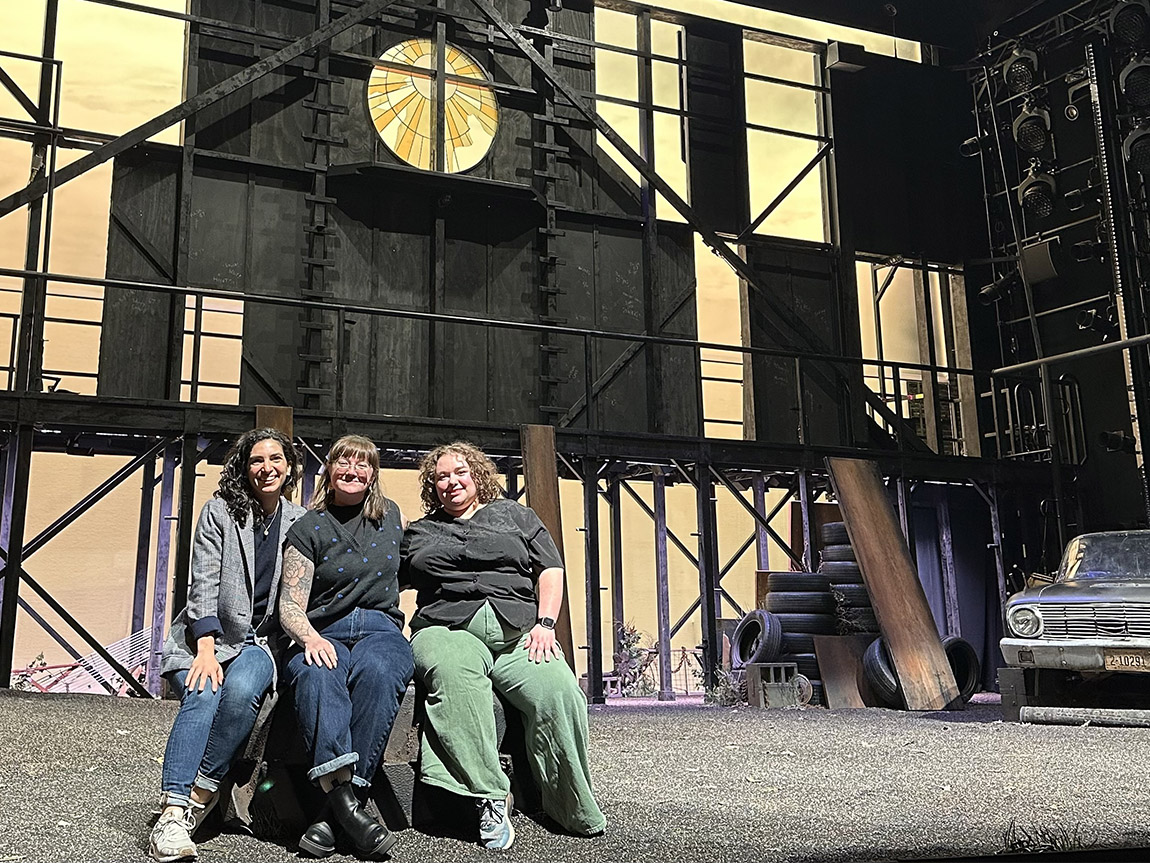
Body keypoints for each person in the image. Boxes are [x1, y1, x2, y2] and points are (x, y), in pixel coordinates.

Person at [400, 441, 607, 851]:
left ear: (477, 474)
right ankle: (489, 797)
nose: (450, 481)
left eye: (459, 471)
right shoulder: (420, 532)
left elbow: (550, 568)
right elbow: (385, 580)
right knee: (455, 673)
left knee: (558, 690)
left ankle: (571, 804)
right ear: (431, 485)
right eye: (441, 476)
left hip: (519, 634)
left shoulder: (516, 515)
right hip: (446, 627)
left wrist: (546, 623)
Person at [149, 428, 306, 863]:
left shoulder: (298, 521)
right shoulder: (220, 512)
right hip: (208, 638)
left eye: (276, 459)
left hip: (260, 644)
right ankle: (173, 810)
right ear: (244, 467)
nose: (267, 468)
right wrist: (204, 648)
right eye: (257, 460)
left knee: (240, 693)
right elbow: (203, 583)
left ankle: (201, 794)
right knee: (203, 691)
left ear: (289, 467)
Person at [279, 434, 413, 859]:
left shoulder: (394, 517)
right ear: (330, 471)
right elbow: (288, 603)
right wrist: (309, 638)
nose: (352, 471)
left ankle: (330, 811)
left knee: (381, 672)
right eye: (343, 463)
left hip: (380, 628)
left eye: (362, 464)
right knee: (316, 674)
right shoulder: (308, 527)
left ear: (373, 473)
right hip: (324, 628)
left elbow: (414, 567)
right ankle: (350, 810)